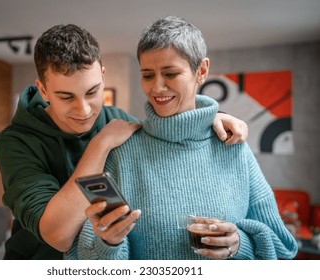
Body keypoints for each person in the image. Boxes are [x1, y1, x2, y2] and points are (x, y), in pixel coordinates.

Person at [0, 23, 249, 259]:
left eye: (92, 92)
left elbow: (164, 130)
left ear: (103, 76)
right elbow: (58, 236)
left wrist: (213, 116)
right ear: (43, 89)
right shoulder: (14, 142)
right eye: (66, 97)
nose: (84, 111)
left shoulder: (116, 119)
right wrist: (100, 145)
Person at [64, 16, 298, 260]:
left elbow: (283, 249)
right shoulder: (123, 153)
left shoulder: (234, 147)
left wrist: (240, 245)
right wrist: (109, 243)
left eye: (171, 73)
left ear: (202, 71)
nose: (157, 88)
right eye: (147, 75)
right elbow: (83, 259)